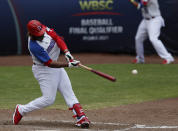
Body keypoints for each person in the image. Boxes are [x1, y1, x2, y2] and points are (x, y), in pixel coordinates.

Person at [12, 20, 90, 128]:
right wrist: (69, 65)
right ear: (32, 34)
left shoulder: (43, 28)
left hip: (56, 66)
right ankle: (21, 110)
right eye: (39, 34)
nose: (42, 34)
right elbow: (49, 63)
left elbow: (58, 38)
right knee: (49, 99)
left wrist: (67, 52)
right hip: (44, 70)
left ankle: (81, 117)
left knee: (68, 92)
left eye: (42, 32)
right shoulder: (34, 46)